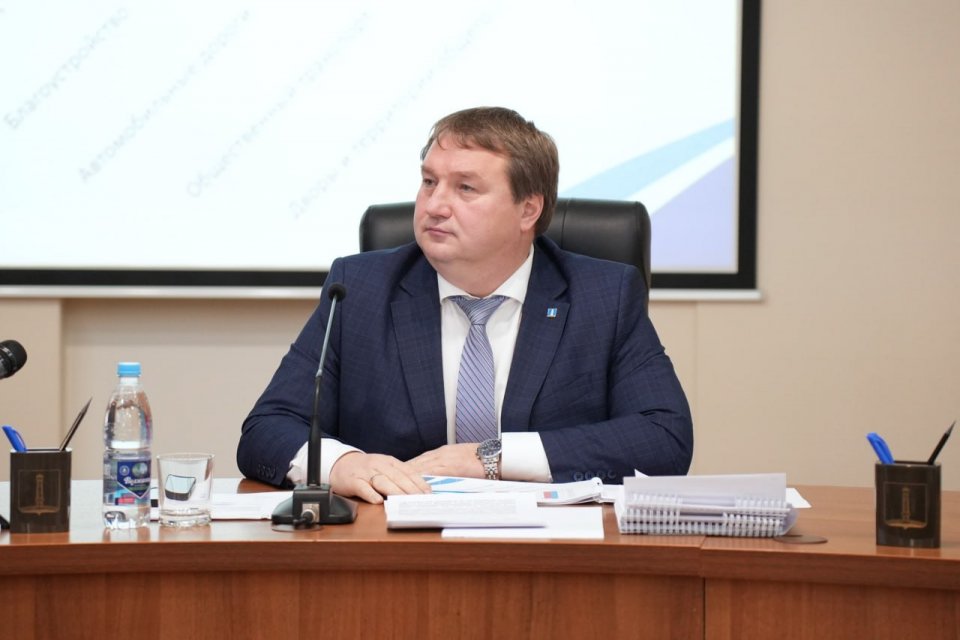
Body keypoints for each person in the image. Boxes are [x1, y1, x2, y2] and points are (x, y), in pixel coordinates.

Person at [237, 106, 692, 504]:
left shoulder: (603, 296)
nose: (435, 205)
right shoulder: (360, 288)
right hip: (393, 547)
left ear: (528, 210)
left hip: (550, 551)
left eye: (466, 188)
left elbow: (663, 439)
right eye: (429, 182)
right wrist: (342, 465)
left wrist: (489, 458)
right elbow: (267, 429)